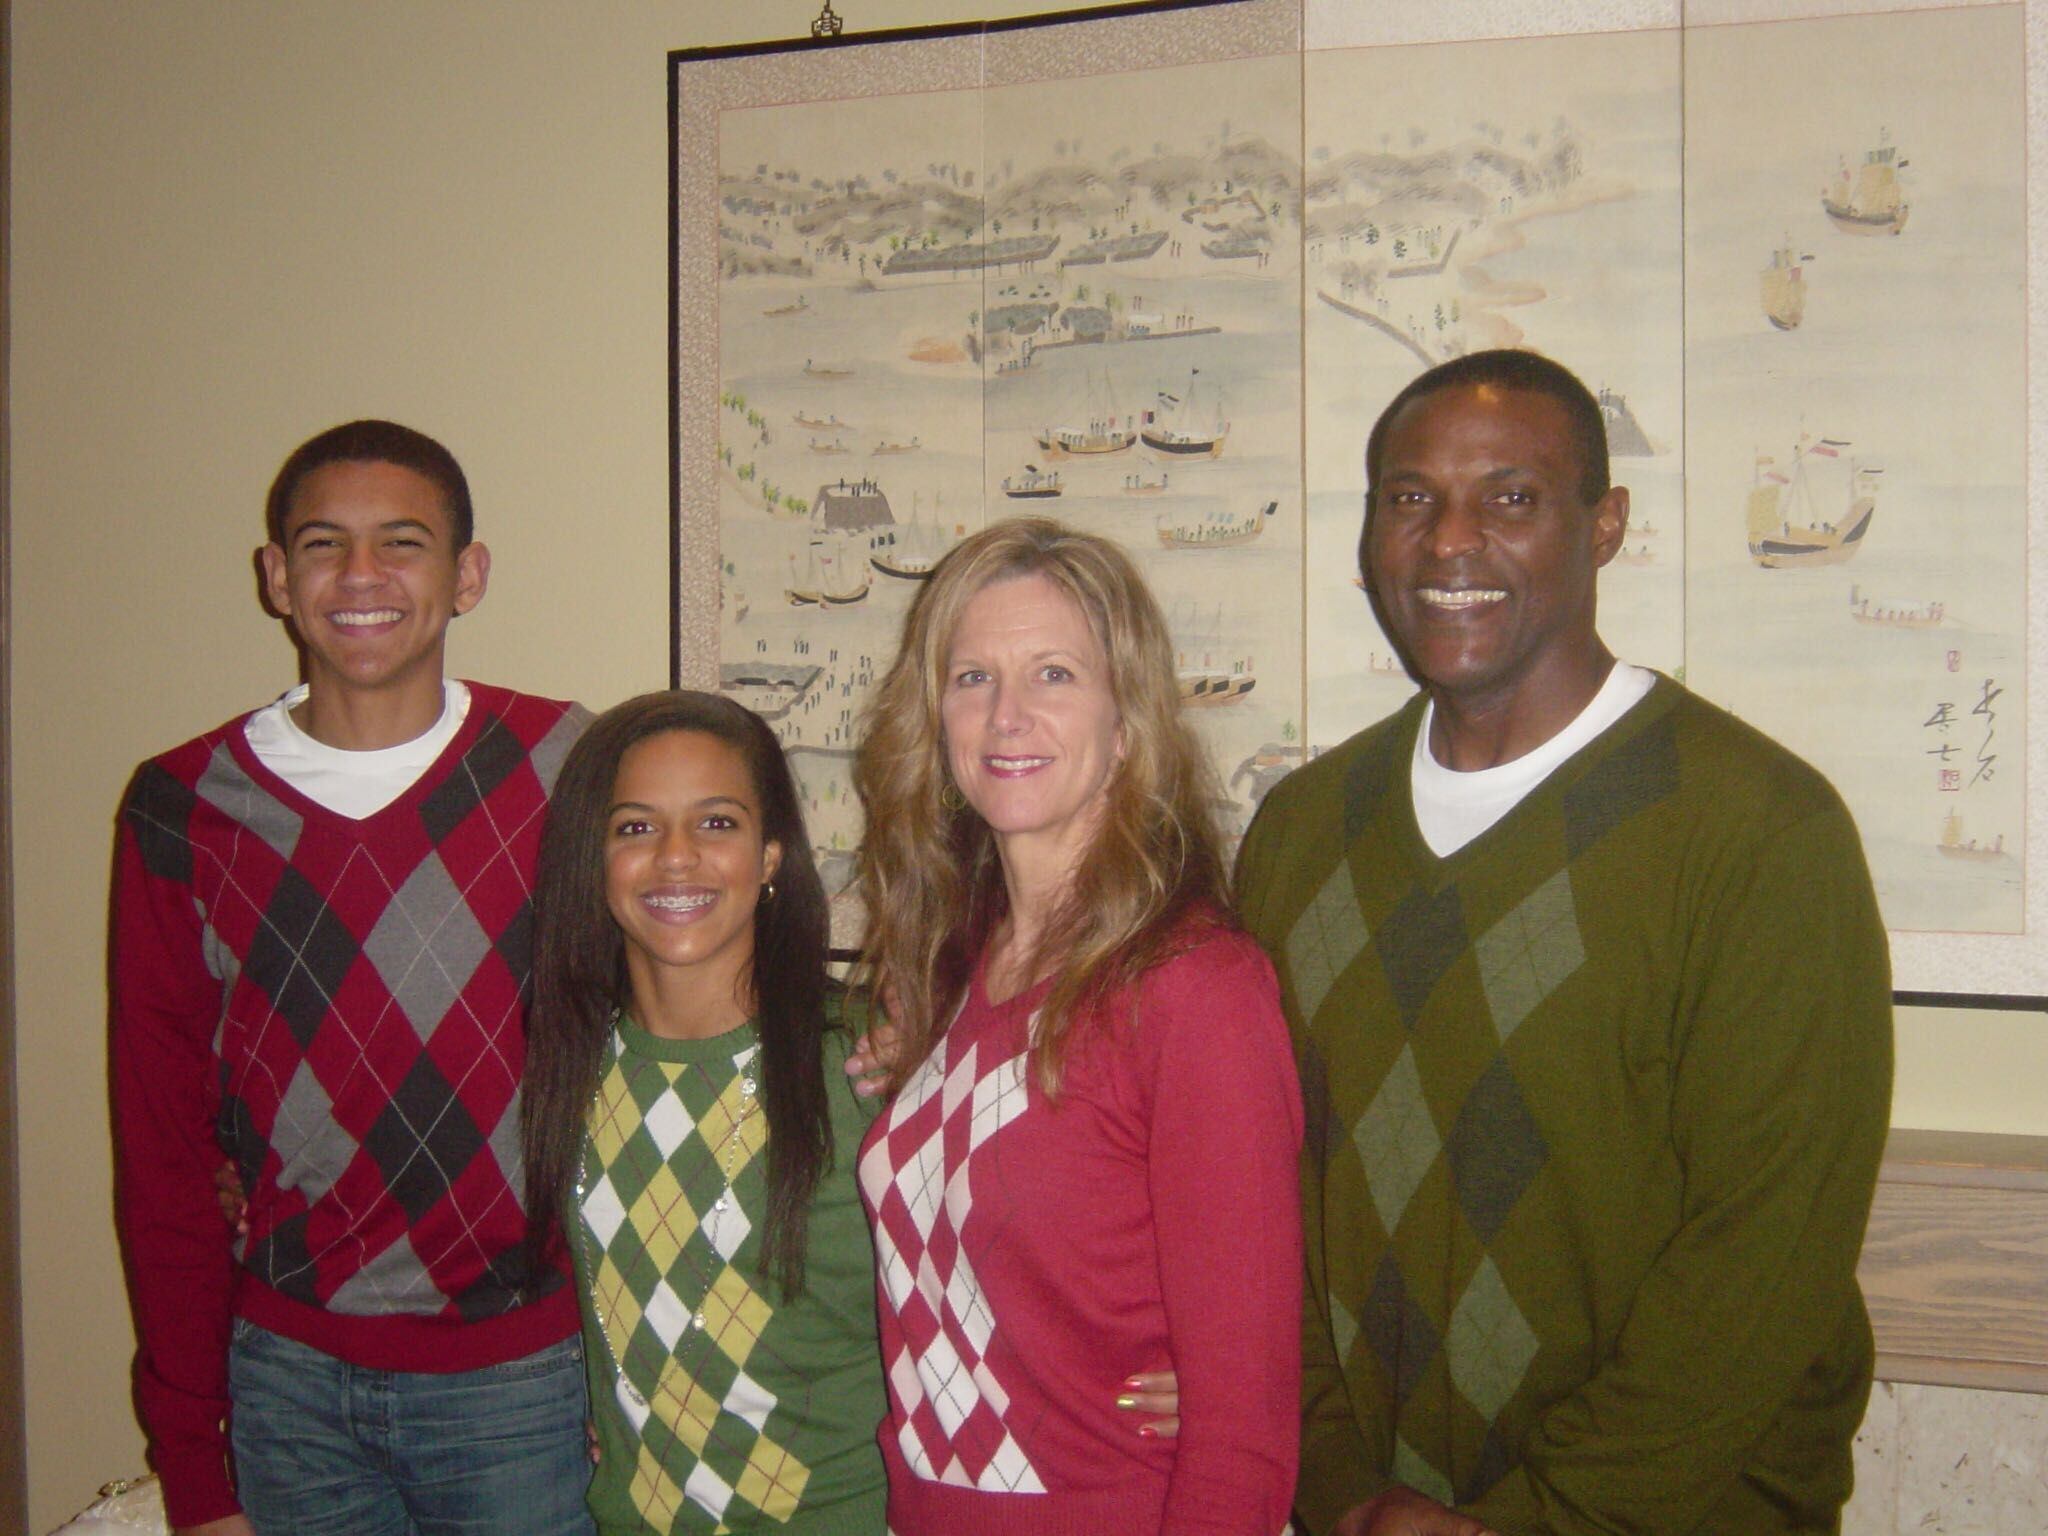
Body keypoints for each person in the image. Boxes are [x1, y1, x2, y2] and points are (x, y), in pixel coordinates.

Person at [1235, 350, 1893, 1535]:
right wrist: (1333, 1483)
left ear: (1604, 527)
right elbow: (1264, 1195)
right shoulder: (1297, 838)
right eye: (1407, 497)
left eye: (1511, 497)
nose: (1446, 540)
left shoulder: (1756, 832)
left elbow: (1758, 1269)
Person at [110, 421, 594, 1536]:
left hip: (523, 1385)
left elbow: (694, 988)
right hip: (288, 1387)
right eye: (324, 545)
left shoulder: (567, 768)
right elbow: (162, 1154)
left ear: (467, 574)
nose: (362, 577)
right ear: (277, 578)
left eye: (404, 543)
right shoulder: (183, 809)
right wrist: (193, 1458)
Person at [852, 517, 1304, 1535]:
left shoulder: (1194, 991)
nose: (1004, 716)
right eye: (971, 678)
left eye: (1052, 674)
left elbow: (1244, 1430)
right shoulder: (955, 971)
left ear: (1126, 721)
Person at [519, 690, 888, 1533]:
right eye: (636, 828)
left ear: (770, 855)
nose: (675, 859)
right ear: (596, 858)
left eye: (717, 823)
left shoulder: (868, 1057)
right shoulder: (565, 1064)